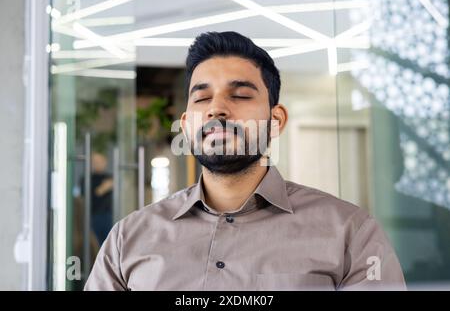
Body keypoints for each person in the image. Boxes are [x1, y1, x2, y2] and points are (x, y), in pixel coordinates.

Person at [84, 31, 406, 291]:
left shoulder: (351, 234)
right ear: (186, 125)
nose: (217, 109)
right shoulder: (128, 239)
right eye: (202, 97)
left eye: (240, 95)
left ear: (276, 120)